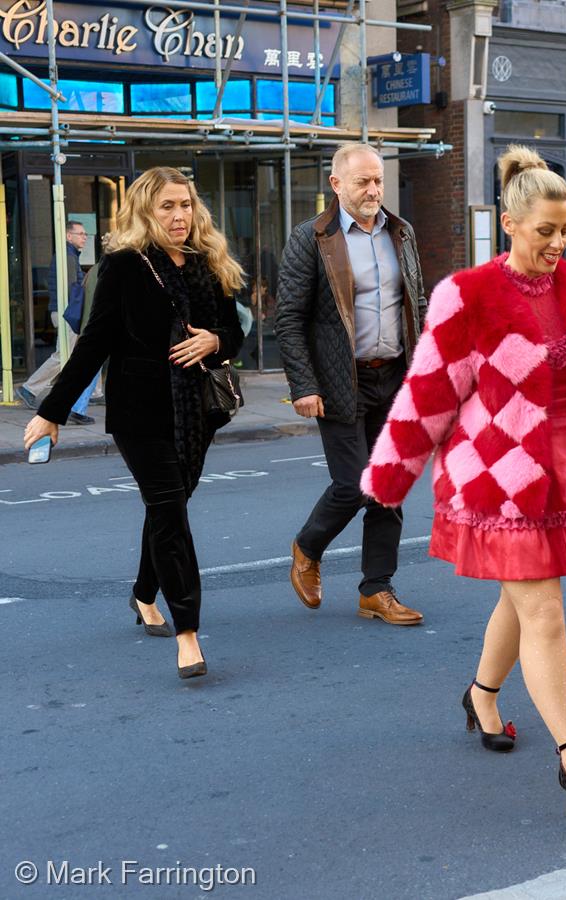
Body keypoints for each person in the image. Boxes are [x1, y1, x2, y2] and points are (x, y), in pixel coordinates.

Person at [361, 146, 566, 816]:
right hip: (501, 484)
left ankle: (481, 695)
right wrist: (389, 477)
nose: (557, 243)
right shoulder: (467, 295)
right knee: (543, 610)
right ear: (510, 224)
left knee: (521, 601)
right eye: (545, 230)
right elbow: (428, 393)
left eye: (565, 230)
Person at [23, 167, 245, 679]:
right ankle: (188, 635)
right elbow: (94, 343)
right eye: (168, 206)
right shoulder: (124, 265)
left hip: (198, 412)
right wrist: (51, 412)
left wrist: (215, 340)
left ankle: (144, 594)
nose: (180, 215)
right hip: (139, 413)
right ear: (146, 210)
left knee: (169, 509)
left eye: (185, 204)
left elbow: (234, 331)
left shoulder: (207, 261)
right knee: (170, 512)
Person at [276, 143, 428, 626]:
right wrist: (304, 384)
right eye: (363, 181)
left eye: (378, 180)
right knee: (353, 484)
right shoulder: (311, 238)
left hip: (395, 376)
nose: (373, 190)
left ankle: (376, 590)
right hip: (341, 380)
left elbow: (417, 305)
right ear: (336, 184)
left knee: (389, 486)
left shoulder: (401, 232)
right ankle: (308, 546)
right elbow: (289, 319)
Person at [18, 219, 101, 423]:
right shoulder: (68, 257)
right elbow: (73, 288)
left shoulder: (69, 255)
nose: (85, 237)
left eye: (85, 234)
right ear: (68, 236)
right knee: (64, 355)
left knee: (82, 352)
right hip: (67, 314)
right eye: (81, 234)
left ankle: (96, 392)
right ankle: (29, 388)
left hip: (63, 312)